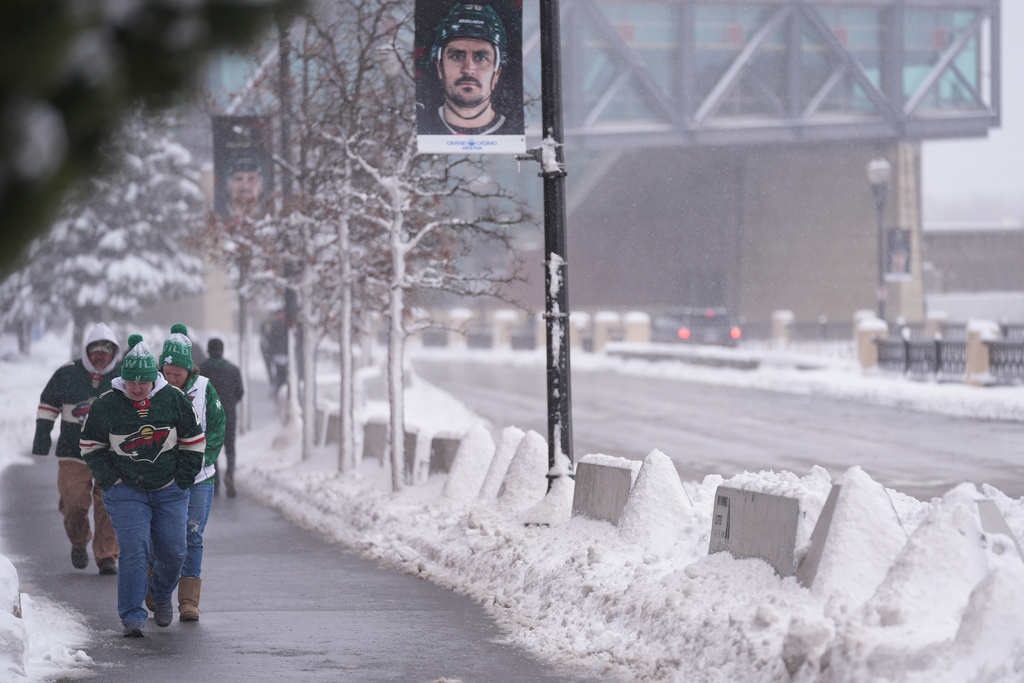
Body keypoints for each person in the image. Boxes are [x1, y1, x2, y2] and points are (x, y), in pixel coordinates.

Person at [80, 335, 205, 638]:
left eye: (142, 383)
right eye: (130, 383)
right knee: (135, 550)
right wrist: (111, 479)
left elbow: (194, 441)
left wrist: (182, 479)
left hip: (169, 489)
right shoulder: (107, 405)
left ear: (154, 379)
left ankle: (160, 595)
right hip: (126, 492)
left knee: (175, 551)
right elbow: (89, 445)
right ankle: (132, 615)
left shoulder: (174, 399)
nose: (135, 389)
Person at [33, 322, 121, 575]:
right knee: (73, 502)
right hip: (74, 451)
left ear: (114, 352)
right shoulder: (67, 373)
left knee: (109, 504)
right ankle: (79, 542)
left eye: (107, 350)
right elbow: (48, 404)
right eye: (95, 350)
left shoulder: (123, 377)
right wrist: (42, 437)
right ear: (87, 351)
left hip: (110, 453)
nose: (100, 355)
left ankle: (107, 555)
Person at [157, 324, 224, 621]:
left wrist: (201, 459)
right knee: (160, 536)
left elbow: (218, 428)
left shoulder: (205, 388)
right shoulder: (153, 387)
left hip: (199, 477)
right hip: (162, 476)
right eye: (167, 373)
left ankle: (188, 601)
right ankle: (156, 587)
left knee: (192, 535)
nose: (171, 379)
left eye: (177, 374)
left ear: (189, 371)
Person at [419, 4, 517, 136]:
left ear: (497, 73)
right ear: (439, 68)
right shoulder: (418, 127)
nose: (468, 69)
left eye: (481, 58)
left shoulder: (517, 132)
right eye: (457, 56)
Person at [200, 337, 244, 498]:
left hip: (210, 415)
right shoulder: (233, 369)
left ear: (208, 350)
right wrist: (229, 403)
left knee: (213, 448)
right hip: (229, 414)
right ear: (223, 350)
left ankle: (216, 481)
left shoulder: (202, 369)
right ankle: (229, 475)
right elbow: (240, 392)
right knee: (230, 448)